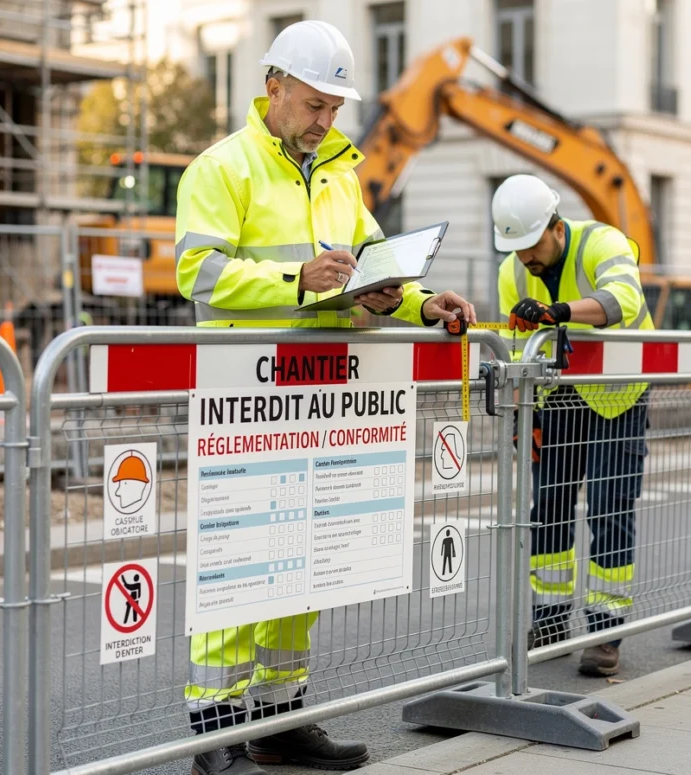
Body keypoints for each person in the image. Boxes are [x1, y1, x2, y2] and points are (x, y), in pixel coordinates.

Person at [174, 19, 476, 775]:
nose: (325, 120)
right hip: (249, 398)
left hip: (325, 402)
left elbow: (375, 269)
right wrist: (296, 280)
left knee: (302, 563)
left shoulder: (342, 172)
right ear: (273, 85)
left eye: (336, 108)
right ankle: (215, 736)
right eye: (315, 104)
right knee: (238, 564)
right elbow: (197, 273)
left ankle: (280, 719)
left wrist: (418, 302)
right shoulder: (223, 167)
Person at [492, 174, 653, 678]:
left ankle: (605, 630)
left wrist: (558, 312)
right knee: (551, 506)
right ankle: (550, 619)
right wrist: (523, 420)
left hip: (619, 396)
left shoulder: (601, 241)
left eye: (531, 246)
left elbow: (620, 301)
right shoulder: (512, 273)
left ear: (556, 228)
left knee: (609, 505)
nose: (525, 259)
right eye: (515, 250)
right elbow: (519, 353)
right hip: (557, 400)